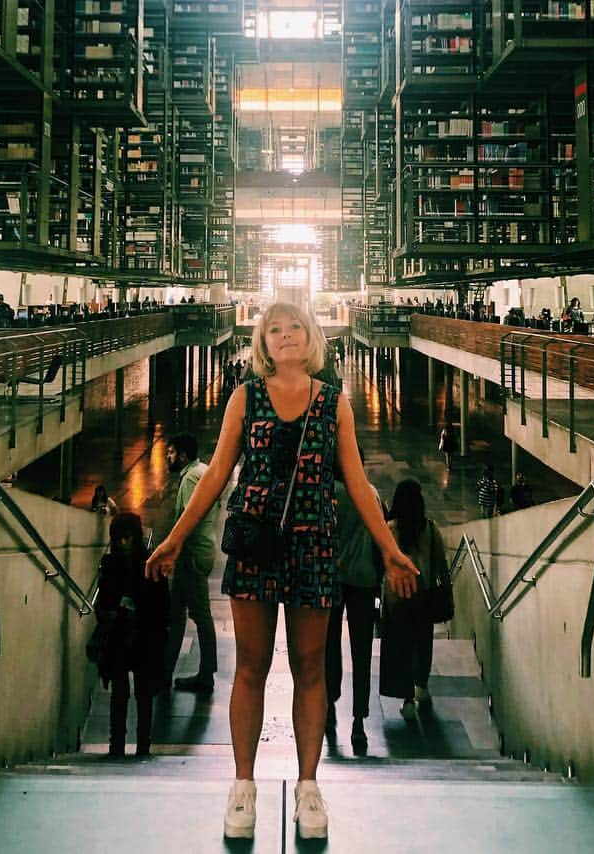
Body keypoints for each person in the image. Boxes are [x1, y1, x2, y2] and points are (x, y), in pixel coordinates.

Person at [145, 301, 420, 843]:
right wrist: (173, 540)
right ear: (263, 343)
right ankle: (243, 785)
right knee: (250, 664)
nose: (286, 334)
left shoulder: (332, 403)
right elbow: (216, 475)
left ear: (312, 337)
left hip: (314, 543)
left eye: (296, 326)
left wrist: (389, 548)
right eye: (275, 328)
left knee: (311, 666)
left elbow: (359, 483)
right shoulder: (244, 398)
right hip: (255, 542)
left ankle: (309, 786)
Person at [91, 512, 170, 759]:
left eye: (128, 538)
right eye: (121, 539)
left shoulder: (136, 563)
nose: (125, 543)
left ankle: (136, 745)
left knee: (139, 693)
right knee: (124, 692)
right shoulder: (118, 564)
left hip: (140, 634)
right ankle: (123, 745)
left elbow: (162, 605)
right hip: (127, 635)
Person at [324, 448, 383, 753]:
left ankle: (330, 704)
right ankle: (359, 721)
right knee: (361, 652)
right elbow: (380, 537)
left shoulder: (328, 495)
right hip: (364, 580)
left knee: (329, 645)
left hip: (332, 578)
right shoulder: (369, 494)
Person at [379, 479, 448, 721]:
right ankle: (422, 686)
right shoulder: (429, 528)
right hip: (423, 596)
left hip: (396, 598)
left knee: (399, 647)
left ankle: (406, 699)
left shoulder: (389, 529)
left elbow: (381, 562)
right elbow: (440, 564)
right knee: (422, 643)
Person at [161, 432, 219, 697]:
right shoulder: (203, 471)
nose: (167, 458)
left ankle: (204, 674)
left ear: (183, 455)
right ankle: (168, 671)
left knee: (196, 615)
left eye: (171, 453)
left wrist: (171, 553)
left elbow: (188, 518)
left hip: (192, 554)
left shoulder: (190, 478)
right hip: (202, 549)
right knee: (177, 613)